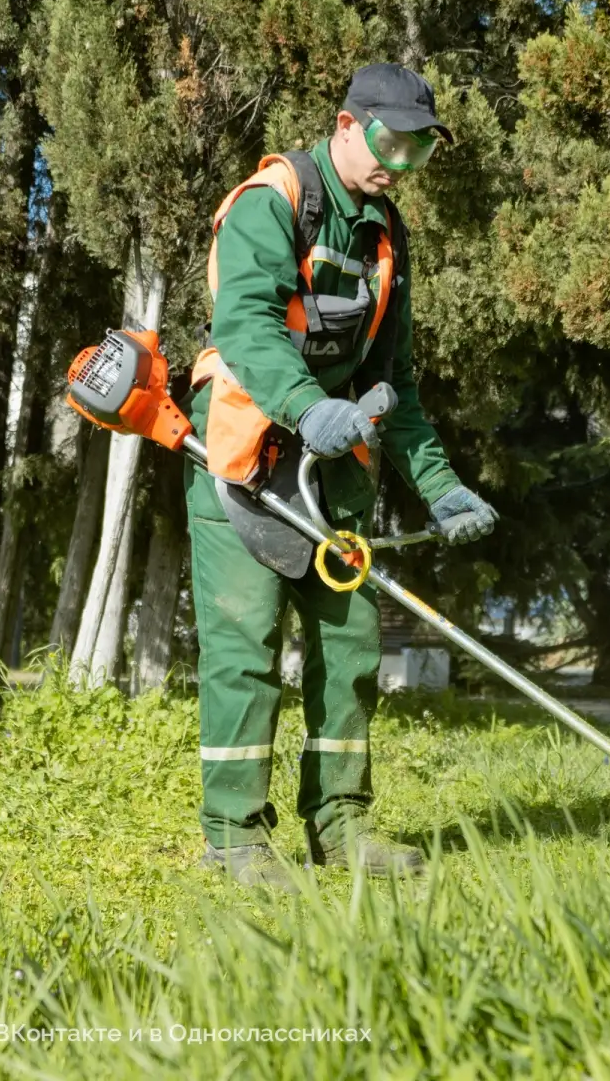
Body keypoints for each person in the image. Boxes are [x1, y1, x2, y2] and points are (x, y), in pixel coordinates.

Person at [186, 63, 497, 891]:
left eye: (419, 152)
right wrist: (302, 405)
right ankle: (235, 837)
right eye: (391, 142)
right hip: (245, 457)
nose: (400, 163)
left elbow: (396, 382)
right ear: (348, 124)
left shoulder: (387, 236)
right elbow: (245, 324)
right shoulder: (274, 200)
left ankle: (341, 823)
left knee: (350, 646)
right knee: (245, 653)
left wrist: (439, 484)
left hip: (338, 475)